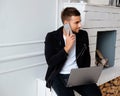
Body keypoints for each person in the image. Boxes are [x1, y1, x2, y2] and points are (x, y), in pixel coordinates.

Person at [44, 7, 102, 96]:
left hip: (77, 75)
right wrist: (66, 48)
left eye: (80, 21)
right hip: (58, 75)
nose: (80, 25)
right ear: (66, 23)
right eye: (76, 22)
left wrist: (84, 74)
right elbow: (50, 62)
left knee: (96, 94)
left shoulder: (83, 35)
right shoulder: (52, 37)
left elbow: (87, 58)